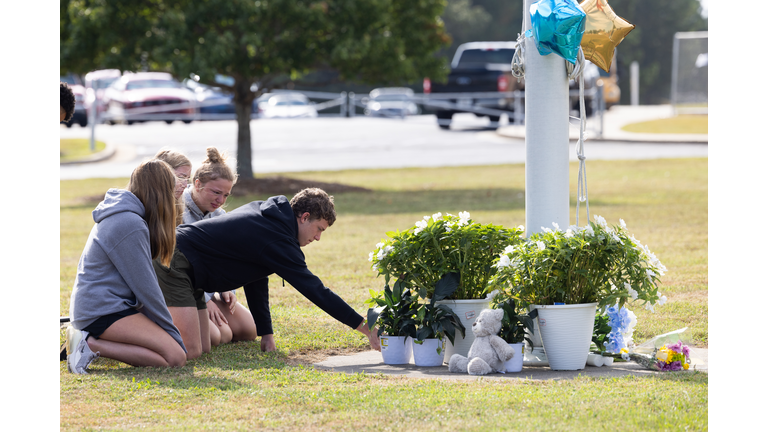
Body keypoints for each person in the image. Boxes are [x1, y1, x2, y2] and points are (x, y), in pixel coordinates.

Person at [156, 187, 381, 353]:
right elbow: (315, 290)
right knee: (191, 351)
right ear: (304, 218)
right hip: (176, 261)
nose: (318, 238)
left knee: (203, 348)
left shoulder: (272, 217)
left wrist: (266, 333)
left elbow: (255, 277)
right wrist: (366, 327)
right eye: (318, 229)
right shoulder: (277, 238)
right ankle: (131, 332)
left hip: (195, 274)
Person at [66, 160, 188, 374]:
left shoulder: (128, 216)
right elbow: (147, 289)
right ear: (160, 192)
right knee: (176, 356)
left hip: (110, 307)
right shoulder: (129, 223)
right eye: (171, 190)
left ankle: (89, 342)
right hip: (101, 310)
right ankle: (89, 345)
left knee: (173, 353)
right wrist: (172, 334)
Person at [176, 147, 258, 349]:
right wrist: (206, 300)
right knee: (218, 337)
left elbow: (226, 261)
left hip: (210, 289)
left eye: (226, 195)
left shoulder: (220, 216)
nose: (220, 201)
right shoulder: (177, 210)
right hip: (184, 291)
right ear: (197, 184)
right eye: (216, 192)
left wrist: (227, 289)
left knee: (249, 330)